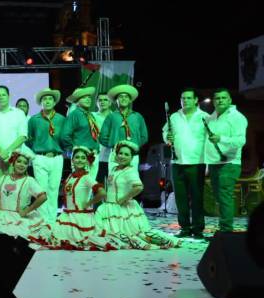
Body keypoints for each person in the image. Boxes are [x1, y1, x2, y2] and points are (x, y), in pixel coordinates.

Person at [95, 141, 181, 249]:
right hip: (110, 207)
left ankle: (165, 241)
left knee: (130, 234)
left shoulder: (130, 171)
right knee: (106, 232)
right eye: (120, 153)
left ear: (131, 158)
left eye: (126, 154)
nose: (122, 156)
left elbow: (139, 187)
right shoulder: (114, 169)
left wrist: (124, 198)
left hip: (122, 208)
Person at [51, 146, 120, 251]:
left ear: (87, 161)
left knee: (76, 240)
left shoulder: (86, 177)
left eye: (83, 158)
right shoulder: (70, 176)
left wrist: (89, 203)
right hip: (67, 216)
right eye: (77, 157)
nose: (80, 160)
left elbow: (102, 192)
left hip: (80, 219)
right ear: (72, 160)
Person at [162, 88, 209, 239]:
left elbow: (209, 140)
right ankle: (184, 228)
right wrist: (167, 137)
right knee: (180, 197)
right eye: (183, 98)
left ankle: (198, 229)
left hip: (197, 162)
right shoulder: (175, 116)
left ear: (196, 100)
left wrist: (208, 162)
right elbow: (165, 132)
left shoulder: (204, 117)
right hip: (177, 162)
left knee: (197, 197)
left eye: (189, 98)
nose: (185, 101)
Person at [204, 88, 248, 233]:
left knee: (225, 196)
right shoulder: (211, 117)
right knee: (219, 197)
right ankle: (224, 227)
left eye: (224, 98)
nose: (220, 100)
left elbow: (240, 141)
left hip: (229, 163)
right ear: (214, 101)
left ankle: (226, 230)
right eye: (217, 98)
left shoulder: (237, 117)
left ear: (229, 100)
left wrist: (221, 138)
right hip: (214, 163)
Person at [0, 150, 51, 246]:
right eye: (19, 161)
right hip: (1, 217)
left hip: (19, 218)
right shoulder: (4, 178)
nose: (22, 165)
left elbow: (43, 197)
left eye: (25, 163)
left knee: (17, 243)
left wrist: (27, 210)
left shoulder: (29, 180)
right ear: (13, 163)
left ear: (27, 166)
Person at [26, 88, 65, 224]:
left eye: (50, 99)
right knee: (42, 190)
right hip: (40, 157)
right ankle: (43, 220)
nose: (47, 101)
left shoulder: (61, 119)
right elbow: (28, 139)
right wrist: (35, 155)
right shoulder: (34, 119)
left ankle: (52, 220)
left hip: (57, 157)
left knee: (54, 189)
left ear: (54, 102)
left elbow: (65, 138)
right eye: (44, 99)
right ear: (40, 102)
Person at [98, 84, 148, 174]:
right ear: (116, 100)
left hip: (133, 155)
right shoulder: (111, 117)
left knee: (131, 183)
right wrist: (114, 145)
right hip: (116, 155)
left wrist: (134, 147)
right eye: (120, 97)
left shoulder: (137, 116)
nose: (123, 99)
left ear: (130, 100)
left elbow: (144, 136)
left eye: (126, 97)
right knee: (113, 183)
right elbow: (102, 137)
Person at [0, 85, 28, 183]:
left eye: (3, 95)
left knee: (13, 191)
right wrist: (1, 152)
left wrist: (7, 152)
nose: (1, 97)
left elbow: (22, 136)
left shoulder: (19, 113)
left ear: (9, 96)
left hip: (14, 159)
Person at [60, 86, 101, 181]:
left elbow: (94, 133)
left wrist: (96, 149)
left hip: (94, 154)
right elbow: (65, 135)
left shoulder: (90, 115)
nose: (87, 99)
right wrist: (75, 151)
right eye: (84, 97)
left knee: (91, 187)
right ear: (77, 101)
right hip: (81, 156)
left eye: (89, 97)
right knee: (81, 185)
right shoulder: (74, 114)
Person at [92, 93, 113, 182]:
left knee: (112, 187)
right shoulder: (91, 116)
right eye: (100, 100)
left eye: (105, 100)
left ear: (110, 103)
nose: (102, 102)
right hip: (95, 156)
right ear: (96, 102)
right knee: (96, 186)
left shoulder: (116, 117)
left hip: (112, 158)